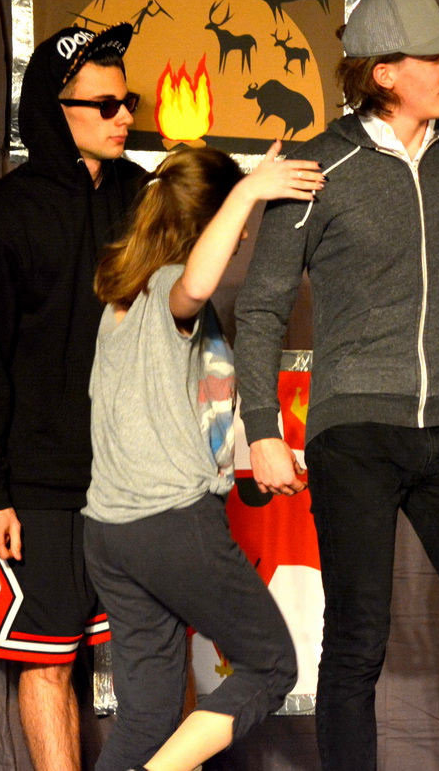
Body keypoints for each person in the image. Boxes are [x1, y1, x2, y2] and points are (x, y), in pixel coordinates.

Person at [232, 0, 439, 771]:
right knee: (357, 641)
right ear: (384, 73)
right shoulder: (317, 166)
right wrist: (262, 428)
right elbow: (262, 307)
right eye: (435, 57)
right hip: (355, 432)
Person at [84, 144, 319, 771]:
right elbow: (194, 284)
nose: (243, 235)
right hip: (168, 524)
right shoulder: (166, 290)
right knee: (271, 664)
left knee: (147, 718)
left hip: (111, 535)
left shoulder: (119, 304)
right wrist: (250, 190)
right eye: (234, 219)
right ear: (208, 219)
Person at [0, 23, 147, 771]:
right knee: (47, 659)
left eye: (127, 102)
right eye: (104, 105)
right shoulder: (1, 217)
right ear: (52, 110)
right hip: (40, 483)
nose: (123, 117)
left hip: (140, 478)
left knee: (158, 651)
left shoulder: (145, 200)